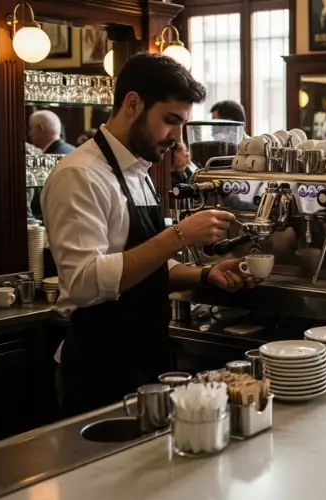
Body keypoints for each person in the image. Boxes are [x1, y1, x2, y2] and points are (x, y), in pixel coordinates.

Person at [42, 53, 255, 417]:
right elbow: (84, 282)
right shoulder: (79, 175)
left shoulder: (139, 171)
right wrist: (179, 235)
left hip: (145, 358)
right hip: (100, 369)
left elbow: (146, 262)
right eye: (170, 121)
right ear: (132, 103)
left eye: (182, 124)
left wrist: (205, 274)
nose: (176, 137)